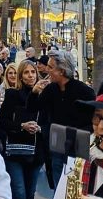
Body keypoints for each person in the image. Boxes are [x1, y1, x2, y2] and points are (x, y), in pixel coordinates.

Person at [0, 59, 48, 199]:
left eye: (32, 72)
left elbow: (48, 119)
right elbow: (2, 122)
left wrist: (40, 128)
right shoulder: (12, 95)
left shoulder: (44, 96)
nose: (30, 76)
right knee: (19, 193)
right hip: (15, 152)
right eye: (26, 73)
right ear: (20, 76)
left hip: (35, 153)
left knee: (29, 194)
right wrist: (21, 126)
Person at [39, 50, 94, 190]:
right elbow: (35, 108)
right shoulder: (51, 89)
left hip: (77, 147)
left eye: (51, 67)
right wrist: (34, 93)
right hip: (57, 145)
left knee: (74, 189)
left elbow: (93, 120)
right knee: (58, 190)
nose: (47, 70)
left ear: (62, 71)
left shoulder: (84, 92)